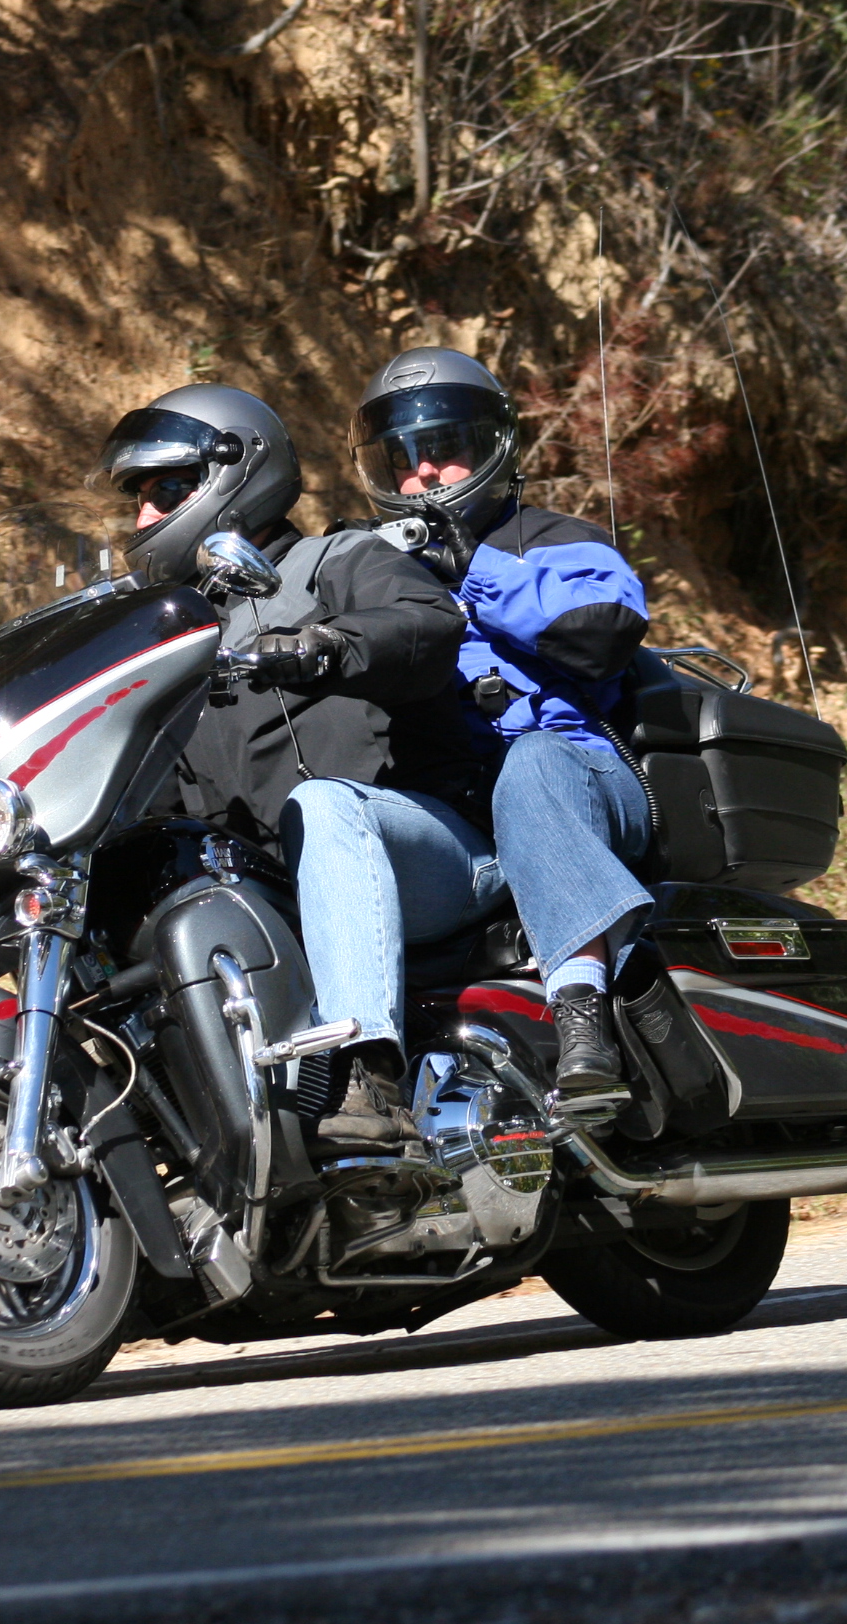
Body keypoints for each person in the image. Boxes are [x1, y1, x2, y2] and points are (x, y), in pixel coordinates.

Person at [90, 384, 501, 1147]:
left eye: (167, 492)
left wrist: (329, 644)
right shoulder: (176, 640)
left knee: (323, 806)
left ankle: (366, 1074)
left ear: (238, 474)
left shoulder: (337, 561)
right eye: (139, 500)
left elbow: (428, 625)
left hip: (430, 854)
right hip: (281, 884)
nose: (145, 519)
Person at [348, 348, 653, 1100]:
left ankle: (583, 1016)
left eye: (442, 449)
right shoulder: (372, 565)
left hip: (585, 781)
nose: (423, 473)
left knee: (535, 759)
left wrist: (475, 569)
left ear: (491, 446)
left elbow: (603, 631)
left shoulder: (559, 539)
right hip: (458, 814)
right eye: (403, 458)